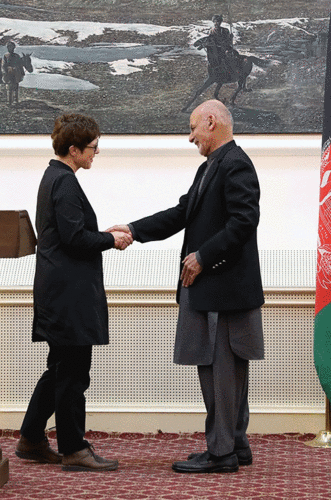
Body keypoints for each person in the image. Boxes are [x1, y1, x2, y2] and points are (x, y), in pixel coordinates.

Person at [108, 100, 265, 474]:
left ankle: (222, 452)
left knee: (221, 372)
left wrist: (203, 257)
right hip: (217, 289)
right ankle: (234, 444)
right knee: (223, 371)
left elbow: (245, 221)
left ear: (211, 122)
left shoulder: (235, 164)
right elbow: (182, 213)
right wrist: (134, 229)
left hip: (222, 290)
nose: (190, 135)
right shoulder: (210, 167)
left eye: (193, 127)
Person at [16, 113, 132, 472]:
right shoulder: (64, 182)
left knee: (59, 370)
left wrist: (105, 236)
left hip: (60, 292)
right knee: (72, 373)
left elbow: (72, 233)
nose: (96, 153)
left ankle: (31, 439)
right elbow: (74, 238)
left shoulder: (56, 176)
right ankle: (73, 448)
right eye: (93, 147)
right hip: (67, 296)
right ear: (74, 149)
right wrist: (111, 240)